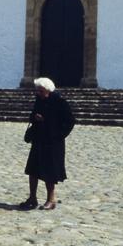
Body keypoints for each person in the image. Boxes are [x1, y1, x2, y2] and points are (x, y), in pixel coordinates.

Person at [19, 77, 75, 211]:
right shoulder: (39, 100)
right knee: (33, 170)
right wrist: (35, 118)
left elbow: (69, 121)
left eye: (40, 90)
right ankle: (32, 198)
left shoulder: (60, 102)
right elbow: (32, 116)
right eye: (37, 90)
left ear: (48, 90)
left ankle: (51, 199)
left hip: (53, 143)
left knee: (50, 171)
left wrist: (57, 134)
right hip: (38, 140)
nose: (38, 93)